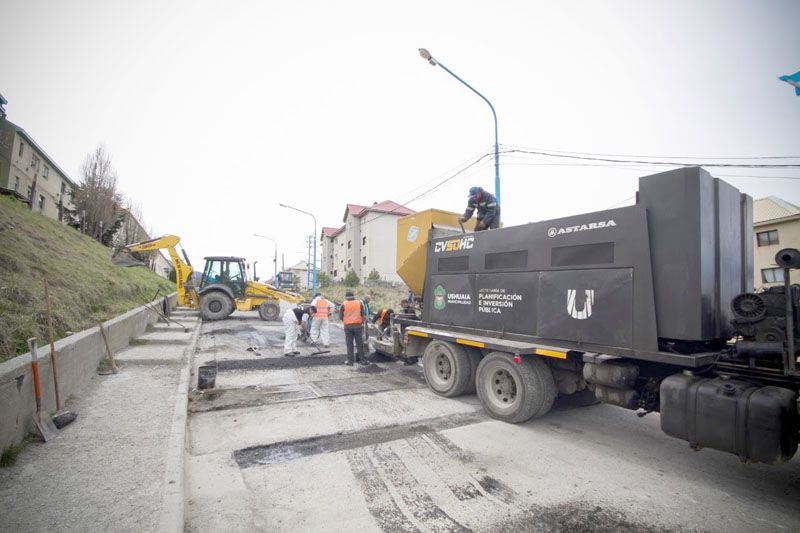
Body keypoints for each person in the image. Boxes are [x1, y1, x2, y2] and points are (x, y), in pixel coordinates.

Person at [339, 290, 368, 366]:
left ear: (346, 297)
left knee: (349, 344)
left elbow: (340, 317)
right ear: (353, 296)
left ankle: (350, 361)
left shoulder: (343, 304)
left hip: (348, 327)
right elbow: (363, 315)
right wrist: (361, 323)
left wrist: (346, 321)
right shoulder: (359, 303)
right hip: (358, 326)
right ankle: (362, 360)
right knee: (359, 343)